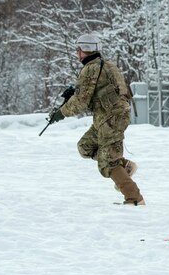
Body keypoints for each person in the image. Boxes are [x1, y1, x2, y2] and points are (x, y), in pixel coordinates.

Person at [49, 33, 144, 205]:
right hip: (107, 118)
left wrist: (61, 113)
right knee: (85, 146)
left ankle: (134, 199)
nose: (77, 54)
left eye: (79, 50)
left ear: (85, 50)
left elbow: (81, 102)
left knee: (108, 163)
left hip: (110, 119)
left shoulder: (90, 68)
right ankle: (125, 166)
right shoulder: (107, 65)